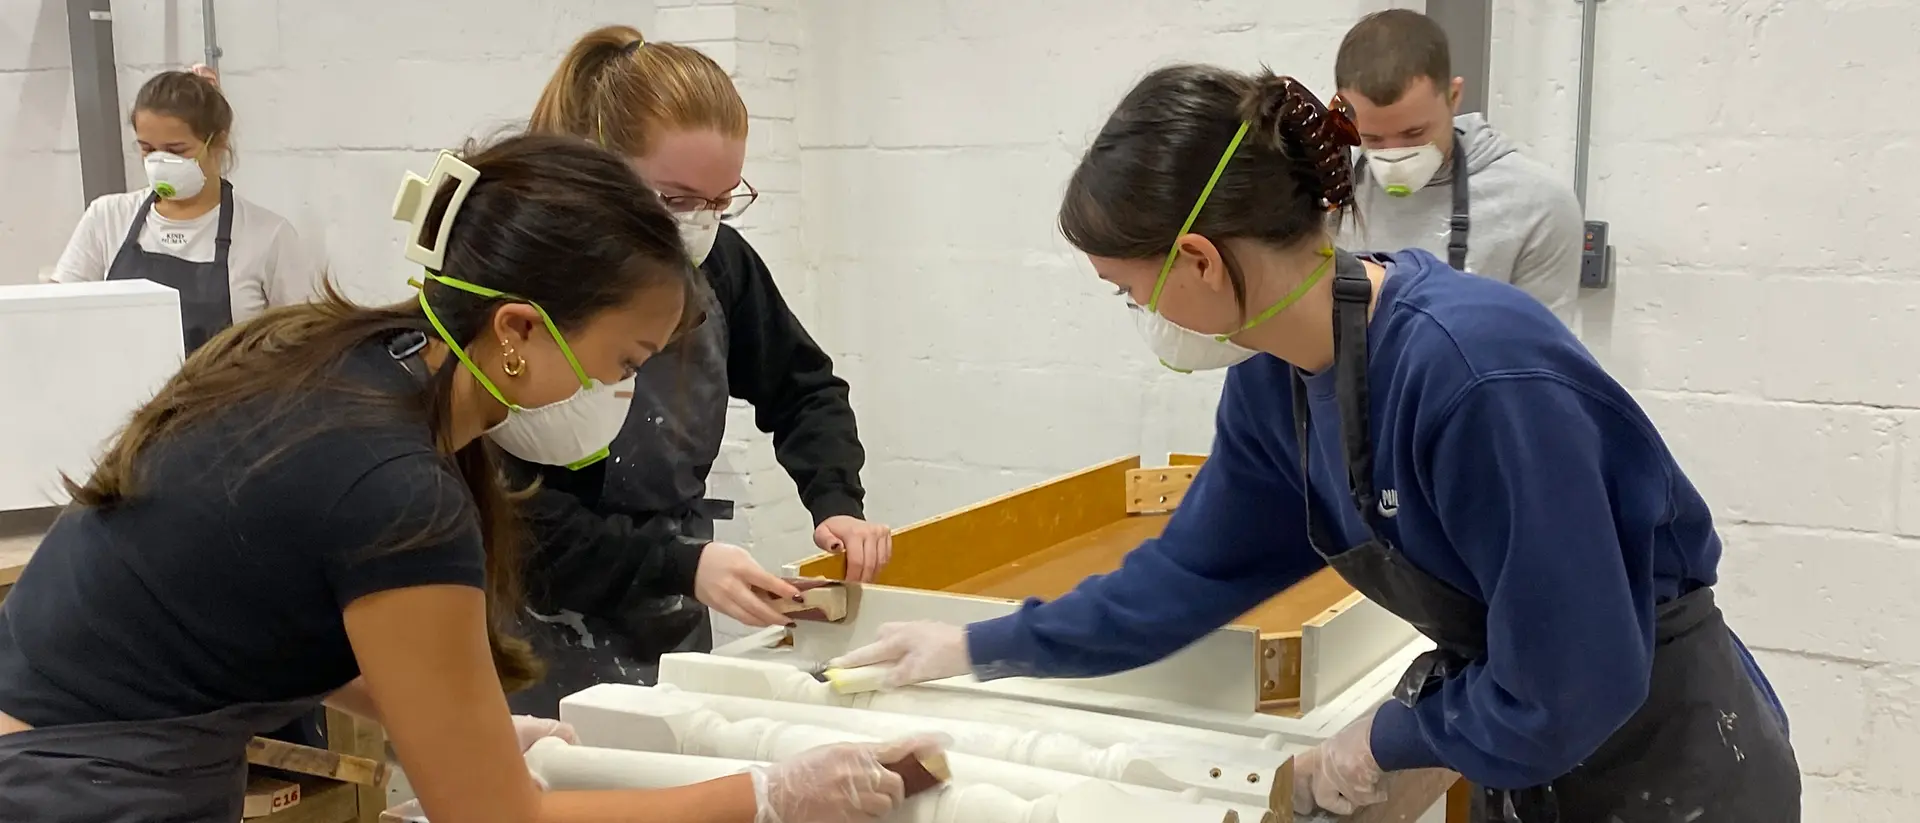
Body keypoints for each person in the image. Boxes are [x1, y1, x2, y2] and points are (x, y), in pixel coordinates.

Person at [830, 65, 1800, 822]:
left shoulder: (1475, 376)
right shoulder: (1277, 384)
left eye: (1127, 289)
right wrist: (973, 642)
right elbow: (1186, 579)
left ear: (1200, 261)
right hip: (1538, 744)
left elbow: (1573, 682)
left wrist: (1391, 734)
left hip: (1665, 752)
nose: (1136, 312)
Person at [0, 133, 937, 823]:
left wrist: (464, 721)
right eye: (623, 361)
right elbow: (498, 817)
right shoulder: (399, 485)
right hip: (74, 782)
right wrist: (771, 793)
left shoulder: (342, 360)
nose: (622, 392)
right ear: (520, 332)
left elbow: (243, 612)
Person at [505, 25, 890, 715]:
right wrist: (682, 562)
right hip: (534, 624)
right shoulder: (526, 280)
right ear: (602, 164)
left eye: (721, 201)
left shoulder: (721, 265)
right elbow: (510, 512)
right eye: (676, 200)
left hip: (669, 610)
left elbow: (804, 389)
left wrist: (836, 500)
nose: (699, 225)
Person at [1333, 10, 1585, 328]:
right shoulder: (1328, 198)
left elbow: (1542, 360)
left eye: (1414, 134)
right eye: (1372, 138)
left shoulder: (1538, 205)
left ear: (1453, 97)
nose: (1393, 154)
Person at [49, 66, 322, 354]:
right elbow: (59, 319)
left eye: (176, 150)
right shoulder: (107, 218)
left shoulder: (268, 236)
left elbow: (304, 349)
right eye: (147, 149)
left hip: (223, 397)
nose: (159, 162)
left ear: (218, 141)